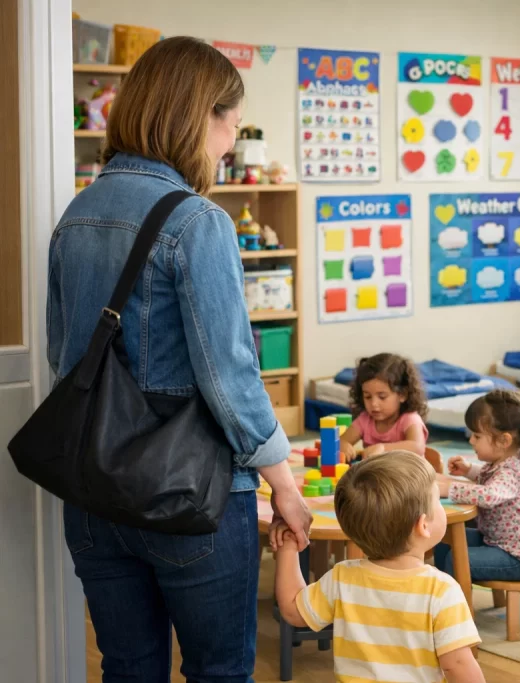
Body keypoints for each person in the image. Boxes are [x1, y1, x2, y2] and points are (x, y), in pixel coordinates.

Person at [48, 36, 311, 682]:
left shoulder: (75, 216)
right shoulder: (198, 221)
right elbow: (230, 380)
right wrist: (284, 485)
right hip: (188, 498)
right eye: (231, 125)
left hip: (93, 493)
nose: (229, 145)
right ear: (201, 117)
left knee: (128, 668)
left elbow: (65, 359)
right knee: (219, 671)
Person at [271, 451, 484, 683]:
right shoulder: (442, 591)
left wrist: (288, 550)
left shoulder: (342, 578)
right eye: (438, 501)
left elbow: (293, 610)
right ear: (423, 525)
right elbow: (459, 665)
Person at [434, 389, 520, 581]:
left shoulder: (512, 470)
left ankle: (456, 607)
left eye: (477, 436)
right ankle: (444, 594)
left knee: (455, 558)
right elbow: (492, 480)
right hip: (498, 542)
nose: (471, 440)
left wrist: (447, 489)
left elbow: (489, 496)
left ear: (503, 440)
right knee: (443, 538)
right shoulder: (504, 462)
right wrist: (469, 470)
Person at [339, 353, 429, 462]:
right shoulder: (365, 420)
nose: (374, 404)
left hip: (409, 476)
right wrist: (342, 445)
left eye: (382, 397)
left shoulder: (409, 419)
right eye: (367, 396)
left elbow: (417, 447)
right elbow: (341, 441)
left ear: (402, 395)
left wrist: (383, 448)